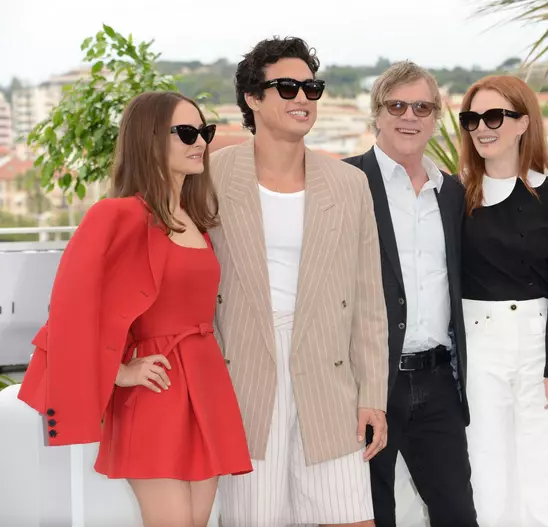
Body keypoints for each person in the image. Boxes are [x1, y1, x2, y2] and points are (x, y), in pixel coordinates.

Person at [17, 91, 253, 527]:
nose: (199, 141)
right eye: (186, 132)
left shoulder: (196, 217)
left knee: (197, 521)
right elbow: (70, 308)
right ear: (148, 140)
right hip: (155, 390)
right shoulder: (117, 215)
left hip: (206, 383)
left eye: (204, 131)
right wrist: (117, 372)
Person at [209, 36, 389, 527]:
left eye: (312, 87)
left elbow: (370, 299)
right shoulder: (212, 175)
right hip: (243, 374)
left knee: (350, 517)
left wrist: (373, 393)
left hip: (329, 375)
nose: (303, 98)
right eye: (287, 87)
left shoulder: (349, 184)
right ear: (252, 98)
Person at [344, 60, 477, 527]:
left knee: (458, 515)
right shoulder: (346, 183)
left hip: (439, 381)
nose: (409, 116)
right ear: (377, 114)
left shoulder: (453, 193)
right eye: (397, 105)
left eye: (422, 106)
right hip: (369, 383)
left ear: (436, 116)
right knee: (370, 515)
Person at [458, 75, 548, 526]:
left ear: (523, 123)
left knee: (546, 469)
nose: (482, 127)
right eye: (472, 118)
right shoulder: (455, 198)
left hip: (538, 346)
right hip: (478, 350)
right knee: (485, 467)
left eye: (494, 116)